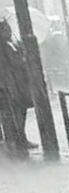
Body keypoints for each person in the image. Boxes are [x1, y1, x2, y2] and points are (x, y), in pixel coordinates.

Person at [0, 18, 34, 153]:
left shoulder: (10, 44)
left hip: (16, 84)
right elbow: (14, 64)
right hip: (9, 86)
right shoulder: (4, 47)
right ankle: (13, 141)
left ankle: (19, 139)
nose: (9, 31)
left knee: (18, 111)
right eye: (5, 29)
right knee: (10, 113)